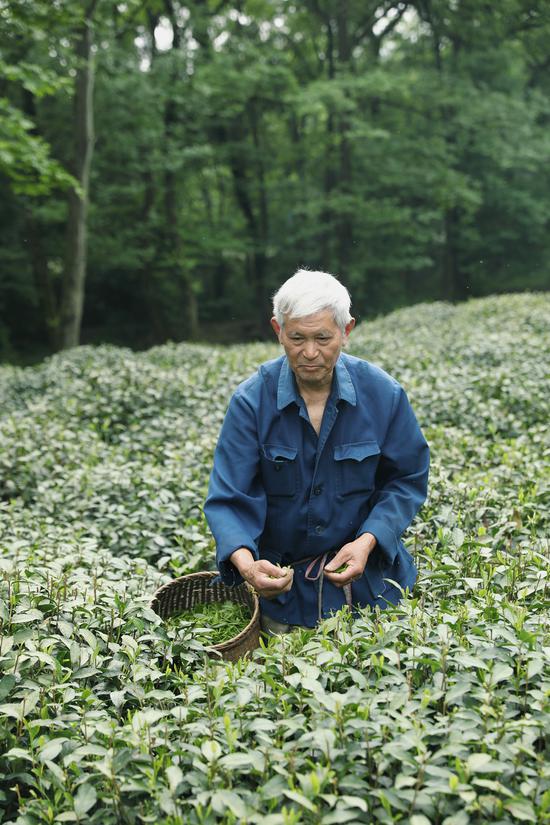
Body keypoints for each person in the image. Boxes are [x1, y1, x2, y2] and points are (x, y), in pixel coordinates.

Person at [204, 269, 429, 633]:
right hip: (285, 595)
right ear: (278, 331)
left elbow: (406, 481)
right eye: (297, 338)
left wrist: (367, 541)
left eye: (323, 338)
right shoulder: (250, 402)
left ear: (346, 331)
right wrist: (247, 566)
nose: (310, 353)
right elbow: (230, 497)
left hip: (371, 591)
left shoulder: (384, 395)